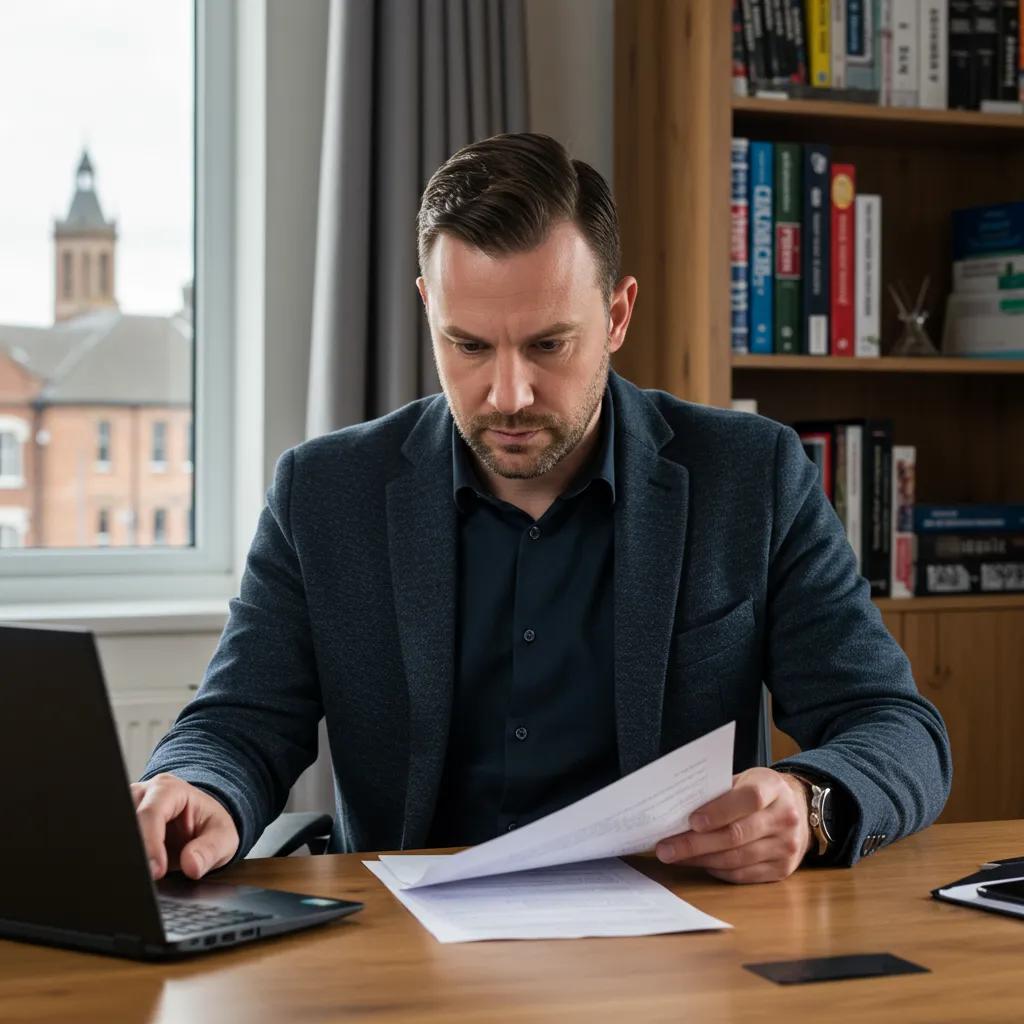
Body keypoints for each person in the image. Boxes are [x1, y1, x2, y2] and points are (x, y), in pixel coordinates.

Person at [135, 133, 951, 886]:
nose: (509, 393)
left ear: (618, 316)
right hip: (406, 947)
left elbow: (896, 727)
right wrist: (197, 787)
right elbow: (238, 723)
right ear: (429, 311)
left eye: (549, 345)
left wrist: (811, 803)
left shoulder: (752, 476)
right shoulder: (324, 494)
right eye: (470, 346)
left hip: (677, 943)